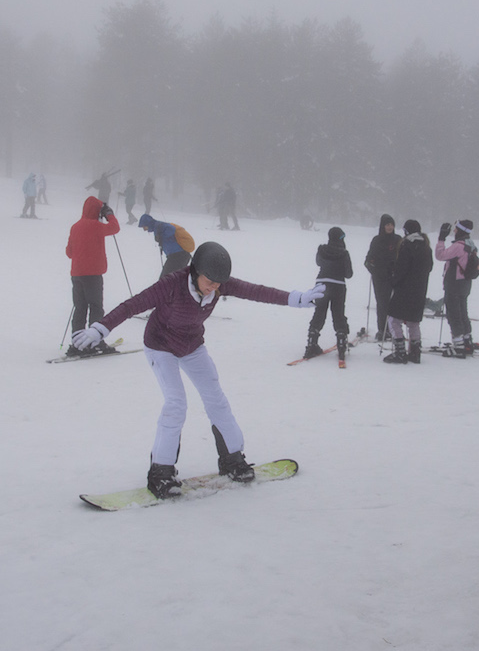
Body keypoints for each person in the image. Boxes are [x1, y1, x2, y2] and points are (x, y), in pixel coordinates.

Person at [70, 242, 325, 499]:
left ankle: (232, 460)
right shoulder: (172, 284)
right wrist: (101, 328)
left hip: (192, 345)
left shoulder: (219, 283)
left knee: (217, 399)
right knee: (176, 403)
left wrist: (296, 298)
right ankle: (161, 474)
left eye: (218, 283)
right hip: (160, 346)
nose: (214, 287)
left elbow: (256, 291)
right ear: (195, 271)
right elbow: (133, 305)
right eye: (210, 281)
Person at [65, 196, 121, 356]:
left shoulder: (75, 227)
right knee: (96, 307)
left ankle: (77, 344)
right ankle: (96, 342)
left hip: (76, 274)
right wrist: (109, 213)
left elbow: (69, 252)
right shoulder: (96, 226)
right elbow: (115, 227)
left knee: (80, 308)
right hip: (93, 274)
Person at [384, 219, 433, 364]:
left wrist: (392, 279)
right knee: (413, 321)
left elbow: (402, 269)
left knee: (393, 320)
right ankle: (415, 353)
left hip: (404, 289)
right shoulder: (426, 247)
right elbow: (429, 268)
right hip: (419, 290)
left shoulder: (407, 246)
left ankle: (400, 352)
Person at [304, 227, 354, 361]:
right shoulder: (344, 253)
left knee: (319, 312)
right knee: (338, 314)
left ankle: (311, 343)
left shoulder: (321, 249)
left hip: (321, 284)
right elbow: (349, 274)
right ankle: (341, 343)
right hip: (338, 285)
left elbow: (318, 262)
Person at [435, 219, 478, 357]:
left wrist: (441, 238)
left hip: (454, 283)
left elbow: (440, 255)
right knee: (462, 312)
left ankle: (458, 345)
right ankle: (467, 341)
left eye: (455, 229)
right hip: (465, 283)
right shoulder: (471, 245)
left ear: (460, 230)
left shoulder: (458, 246)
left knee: (453, 313)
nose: (454, 231)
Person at [364, 214, 400, 340]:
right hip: (380, 277)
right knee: (382, 303)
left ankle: (395, 329)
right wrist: (374, 270)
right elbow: (368, 259)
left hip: (395, 277)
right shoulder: (377, 240)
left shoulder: (398, 240)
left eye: (391, 225)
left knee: (395, 304)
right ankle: (382, 329)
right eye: (387, 225)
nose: (390, 227)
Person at [138, 213, 194, 279]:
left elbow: (172, 229)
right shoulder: (157, 227)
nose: (144, 229)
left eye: (144, 226)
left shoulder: (159, 226)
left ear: (148, 223)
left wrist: (162, 237)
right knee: (171, 280)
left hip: (178, 256)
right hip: (178, 256)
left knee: (165, 280)